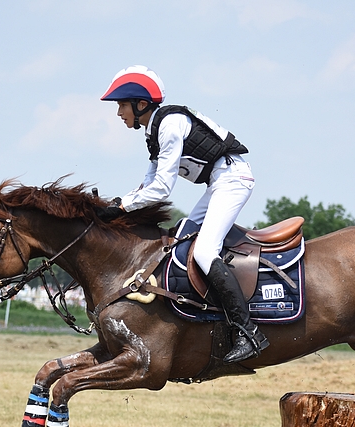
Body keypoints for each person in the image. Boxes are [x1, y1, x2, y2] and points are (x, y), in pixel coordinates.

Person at [99, 65, 268, 363]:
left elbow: (162, 189)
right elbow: (148, 185)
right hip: (219, 182)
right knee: (180, 238)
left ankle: (248, 331)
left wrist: (123, 206)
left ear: (141, 104)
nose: (118, 113)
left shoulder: (170, 124)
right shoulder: (155, 132)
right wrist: (117, 205)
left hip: (233, 179)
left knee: (203, 252)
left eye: (122, 105)